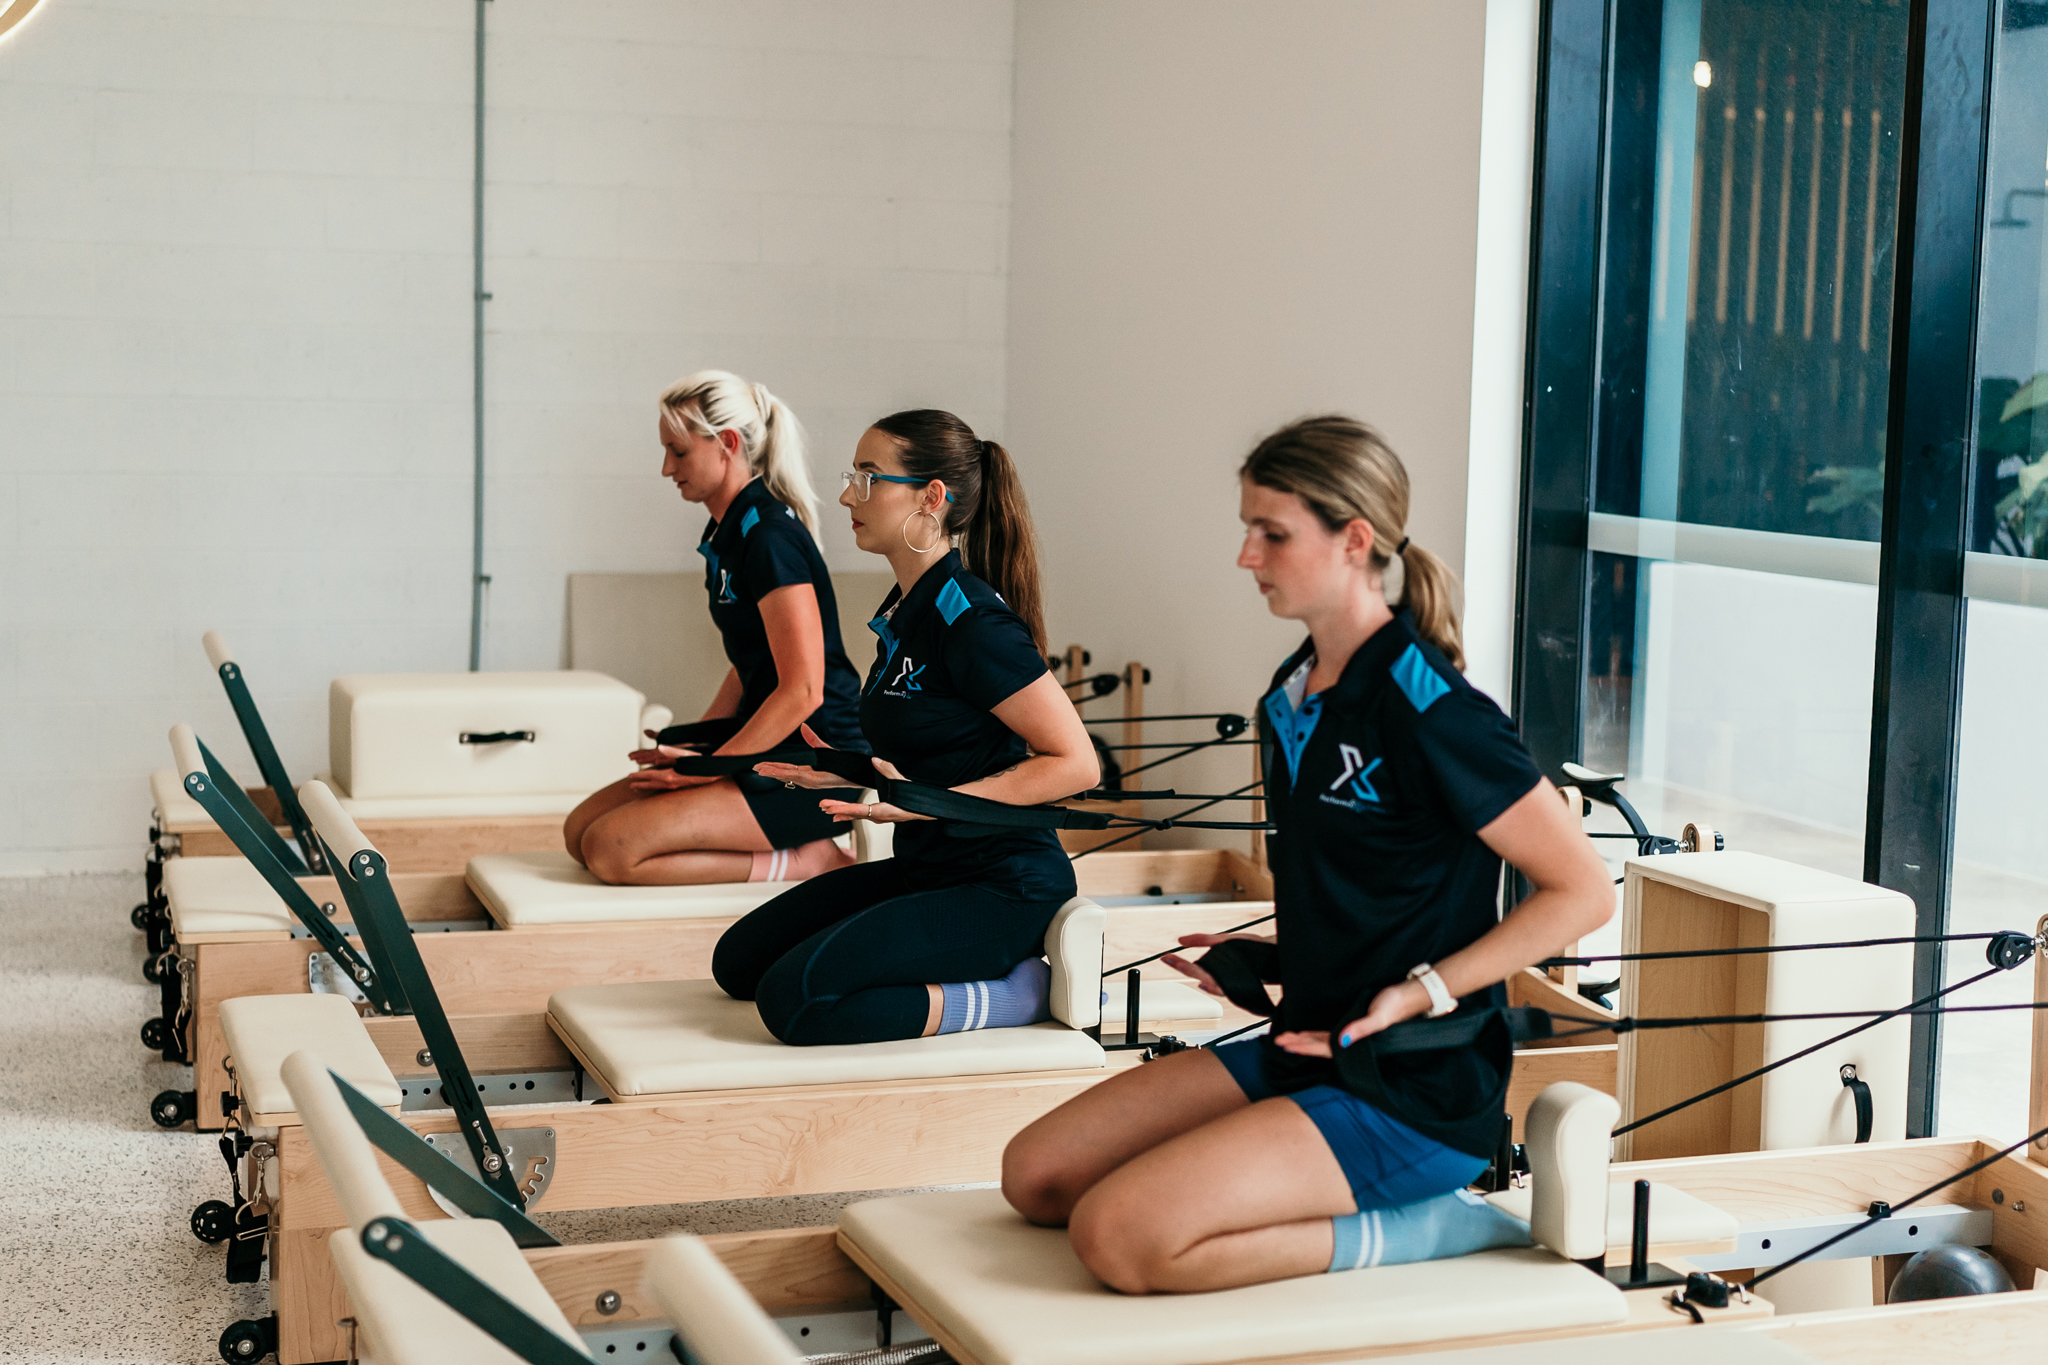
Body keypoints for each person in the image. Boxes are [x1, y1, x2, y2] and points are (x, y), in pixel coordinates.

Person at [999, 415, 1614, 1294]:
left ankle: (1437, 1223)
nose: (1247, 556)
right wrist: (1273, 958)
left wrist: (1425, 988)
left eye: (1272, 533)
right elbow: (1376, 884)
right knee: (1038, 1174)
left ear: (1354, 539)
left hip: (1412, 1084)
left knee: (1121, 1236)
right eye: (1249, 528)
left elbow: (1582, 890)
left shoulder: (1433, 709)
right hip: (1309, 1038)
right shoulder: (1292, 698)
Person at [709, 409, 1100, 1046]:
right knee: (740, 964)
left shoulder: (972, 621)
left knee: (795, 1001)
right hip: (929, 868)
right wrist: (850, 767)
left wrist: (926, 804)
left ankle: (1013, 995)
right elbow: (940, 746)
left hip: (1001, 885)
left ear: (931, 498)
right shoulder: (906, 609)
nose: (846, 496)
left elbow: (1076, 764)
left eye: (868, 478)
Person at [564, 370, 869, 886]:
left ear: (726, 444)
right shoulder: (727, 532)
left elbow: (804, 689)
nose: (666, 468)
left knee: (610, 849)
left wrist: (707, 771)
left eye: (678, 452)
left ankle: (806, 859)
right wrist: (697, 748)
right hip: (764, 743)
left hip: (812, 765)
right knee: (579, 831)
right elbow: (749, 661)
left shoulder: (770, 536)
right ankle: (789, 840)